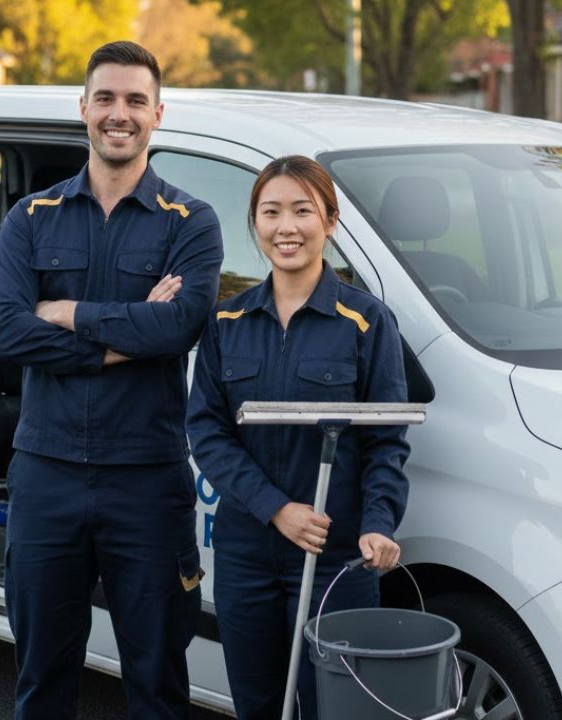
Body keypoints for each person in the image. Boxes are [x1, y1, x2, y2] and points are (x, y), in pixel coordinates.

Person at [0, 41, 224, 720]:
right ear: (83, 107)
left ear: (158, 114)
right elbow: (3, 335)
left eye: (136, 101)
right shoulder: (31, 219)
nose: (121, 114)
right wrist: (126, 334)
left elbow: (177, 330)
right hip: (46, 476)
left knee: (156, 681)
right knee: (43, 679)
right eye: (107, 99)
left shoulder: (192, 222)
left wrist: (62, 314)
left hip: (146, 482)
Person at [185, 156, 410, 720]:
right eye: (272, 212)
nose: (287, 227)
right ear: (255, 224)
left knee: (336, 706)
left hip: (336, 557)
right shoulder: (226, 322)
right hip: (247, 552)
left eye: (303, 211)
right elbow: (207, 431)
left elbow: (387, 442)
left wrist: (380, 523)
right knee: (258, 703)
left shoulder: (367, 322)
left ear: (329, 222)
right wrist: (276, 508)